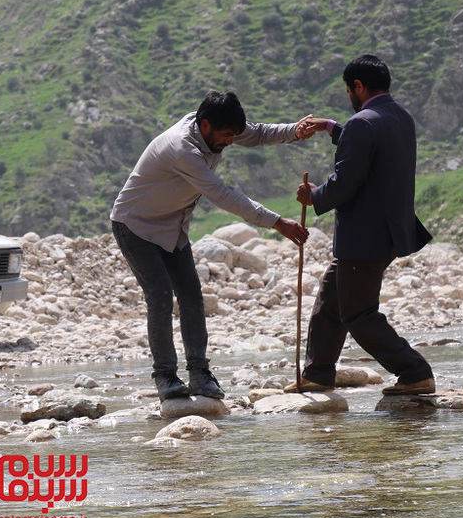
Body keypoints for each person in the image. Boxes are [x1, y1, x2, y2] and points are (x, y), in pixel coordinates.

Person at [111, 90, 316, 402]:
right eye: (225, 135)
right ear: (205, 126)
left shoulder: (218, 127)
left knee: (192, 295)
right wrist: (278, 222)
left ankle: (199, 373)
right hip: (135, 225)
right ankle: (165, 376)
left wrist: (293, 130)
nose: (230, 142)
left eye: (233, 134)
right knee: (161, 296)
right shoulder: (182, 149)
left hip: (172, 226)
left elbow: (257, 133)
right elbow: (223, 194)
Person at [290, 54, 435, 395]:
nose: (348, 97)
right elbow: (369, 143)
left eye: (348, 89)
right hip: (388, 231)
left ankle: (415, 371)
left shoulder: (362, 123)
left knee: (358, 314)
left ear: (358, 86)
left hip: (363, 236)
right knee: (331, 299)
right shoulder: (400, 116)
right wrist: (330, 127)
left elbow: (345, 182)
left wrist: (314, 196)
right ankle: (318, 373)